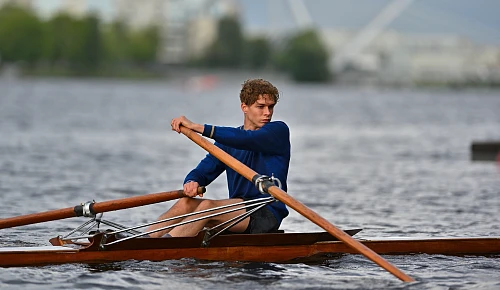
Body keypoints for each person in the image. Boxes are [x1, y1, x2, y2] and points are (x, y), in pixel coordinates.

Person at [146, 78, 290, 238]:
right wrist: (192, 182)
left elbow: (246, 139)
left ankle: (163, 248)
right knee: (185, 203)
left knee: (207, 206)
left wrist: (198, 127)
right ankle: (143, 241)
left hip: (266, 212)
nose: (267, 113)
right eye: (261, 107)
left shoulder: (278, 132)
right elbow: (203, 171)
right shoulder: (229, 142)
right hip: (238, 210)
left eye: (271, 107)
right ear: (245, 107)